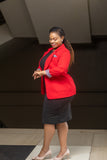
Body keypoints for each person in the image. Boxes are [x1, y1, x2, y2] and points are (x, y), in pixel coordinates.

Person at [32, 26, 76, 160]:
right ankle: (64, 150)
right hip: (58, 92)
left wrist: (43, 73)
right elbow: (44, 64)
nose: (52, 41)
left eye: (55, 38)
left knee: (48, 121)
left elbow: (61, 70)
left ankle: (45, 150)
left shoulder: (65, 52)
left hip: (60, 92)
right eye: (50, 39)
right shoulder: (50, 51)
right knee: (61, 121)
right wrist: (39, 71)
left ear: (62, 38)